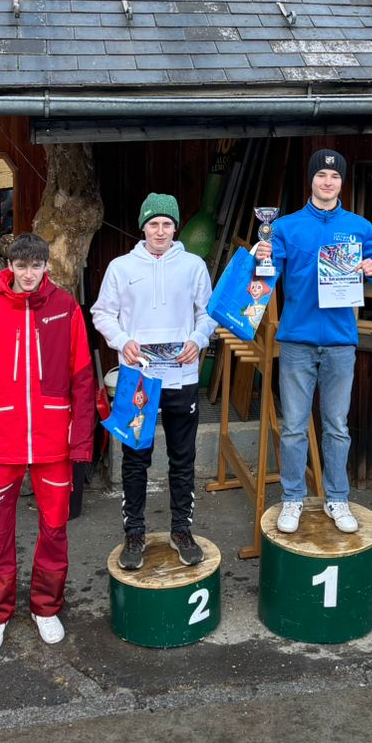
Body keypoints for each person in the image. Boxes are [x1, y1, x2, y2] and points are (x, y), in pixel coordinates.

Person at [0, 234, 93, 653]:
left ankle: (45, 608)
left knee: (54, 531)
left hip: (53, 443)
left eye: (36, 266)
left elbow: (83, 379)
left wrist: (80, 442)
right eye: (21, 265)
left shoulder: (66, 308)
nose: (29, 274)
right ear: (9, 267)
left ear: (46, 266)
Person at [250, 148, 372, 535]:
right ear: (311, 180)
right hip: (296, 341)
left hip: (340, 343)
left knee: (336, 427)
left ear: (341, 183)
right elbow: (266, 276)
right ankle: (292, 498)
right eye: (321, 176)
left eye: (334, 177)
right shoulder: (285, 227)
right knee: (294, 427)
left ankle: (337, 497)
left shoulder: (358, 227)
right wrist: (261, 256)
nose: (327, 182)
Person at [91, 194, 217, 570]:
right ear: (142, 227)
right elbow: (102, 313)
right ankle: (134, 534)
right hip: (139, 378)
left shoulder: (193, 266)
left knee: (182, 457)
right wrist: (122, 341)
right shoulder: (120, 267)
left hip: (182, 376)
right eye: (153, 224)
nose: (160, 231)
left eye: (167, 224)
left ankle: (181, 530)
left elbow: (208, 313)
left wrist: (198, 339)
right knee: (135, 458)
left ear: (175, 228)